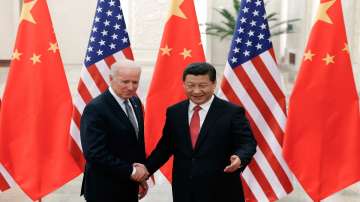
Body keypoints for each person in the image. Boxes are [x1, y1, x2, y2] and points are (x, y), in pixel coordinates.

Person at [145, 62, 257, 202]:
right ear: (184, 84)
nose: (196, 91)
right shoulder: (175, 112)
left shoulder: (232, 112)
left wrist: (240, 158)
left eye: (202, 86)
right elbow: (165, 148)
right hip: (185, 191)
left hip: (222, 191)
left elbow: (248, 143)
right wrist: (145, 171)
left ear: (213, 84)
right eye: (191, 85)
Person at [80, 60, 149, 202]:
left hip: (130, 187)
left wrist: (141, 178)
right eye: (125, 82)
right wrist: (132, 172)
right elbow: (94, 153)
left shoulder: (135, 102)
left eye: (135, 82)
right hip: (104, 190)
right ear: (111, 79)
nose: (131, 87)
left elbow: (136, 143)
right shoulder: (96, 108)